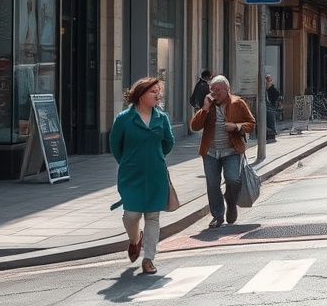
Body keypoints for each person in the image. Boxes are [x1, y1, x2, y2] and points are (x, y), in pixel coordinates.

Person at [109, 77, 174, 275]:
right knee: (131, 215)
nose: (157, 94)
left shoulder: (161, 118)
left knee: (153, 217)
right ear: (140, 95)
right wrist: (129, 162)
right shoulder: (123, 119)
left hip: (156, 175)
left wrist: (155, 158)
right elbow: (115, 146)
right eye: (152, 91)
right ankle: (135, 240)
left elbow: (168, 143)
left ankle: (149, 259)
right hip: (131, 174)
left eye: (158, 91)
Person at [190, 75, 256, 227]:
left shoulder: (238, 103)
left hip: (231, 150)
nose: (215, 93)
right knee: (212, 184)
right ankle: (217, 215)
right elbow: (195, 126)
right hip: (211, 152)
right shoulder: (209, 105)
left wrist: (237, 127)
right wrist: (204, 108)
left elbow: (251, 124)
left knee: (233, 179)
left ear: (227, 90)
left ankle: (231, 202)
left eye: (218, 90)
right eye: (212, 90)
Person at [265, 74, 281, 141]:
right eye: (267, 80)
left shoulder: (273, 89)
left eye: (269, 80)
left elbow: (276, 96)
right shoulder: (264, 89)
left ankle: (272, 133)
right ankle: (268, 134)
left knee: (271, 120)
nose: (267, 81)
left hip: (271, 107)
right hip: (265, 107)